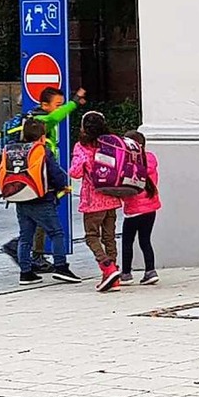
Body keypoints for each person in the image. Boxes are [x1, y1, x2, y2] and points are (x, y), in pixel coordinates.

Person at [2, 87, 87, 273]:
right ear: (44, 104)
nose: (59, 108)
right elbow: (56, 118)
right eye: (57, 105)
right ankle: (55, 265)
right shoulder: (41, 121)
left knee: (32, 226)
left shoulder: (33, 117)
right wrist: (74, 102)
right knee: (52, 228)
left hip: (27, 180)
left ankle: (27, 267)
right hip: (40, 180)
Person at [15, 119, 82, 285]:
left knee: (25, 237)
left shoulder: (15, 149)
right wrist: (63, 186)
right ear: (43, 137)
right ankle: (61, 267)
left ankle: (26, 272)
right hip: (41, 199)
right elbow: (55, 173)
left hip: (20, 198)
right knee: (56, 233)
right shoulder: (42, 151)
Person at [69, 111, 123, 292]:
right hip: (112, 197)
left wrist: (83, 160)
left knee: (92, 236)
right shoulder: (111, 143)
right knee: (110, 237)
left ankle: (106, 266)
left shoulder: (81, 147)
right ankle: (113, 277)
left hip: (93, 200)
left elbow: (75, 173)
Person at [120, 130, 161, 286]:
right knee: (145, 240)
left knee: (127, 242)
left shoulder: (128, 164)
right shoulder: (150, 158)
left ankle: (126, 274)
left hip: (134, 209)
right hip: (151, 208)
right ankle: (150, 271)